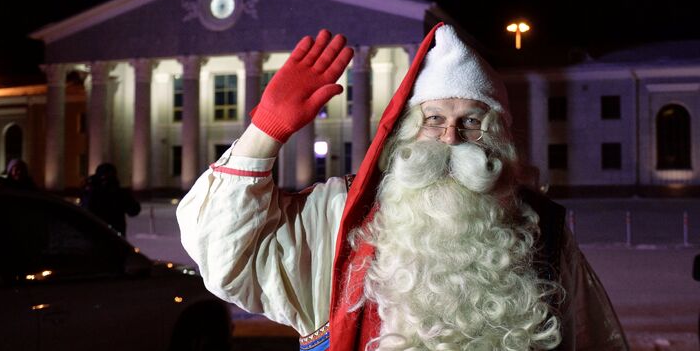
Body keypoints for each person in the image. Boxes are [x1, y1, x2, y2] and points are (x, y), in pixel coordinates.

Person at [177, 25, 628, 350]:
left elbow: (591, 339)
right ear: (407, 131)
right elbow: (224, 255)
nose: (450, 138)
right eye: (434, 120)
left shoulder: (541, 229)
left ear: (497, 138)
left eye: (471, 121)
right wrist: (265, 132)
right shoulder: (342, 214)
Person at [81, 162, 141, 236]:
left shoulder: (94, 192)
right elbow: (133, 210)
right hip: (109, 235)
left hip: (102, 235)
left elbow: (133, 210)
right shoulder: (117, 193)